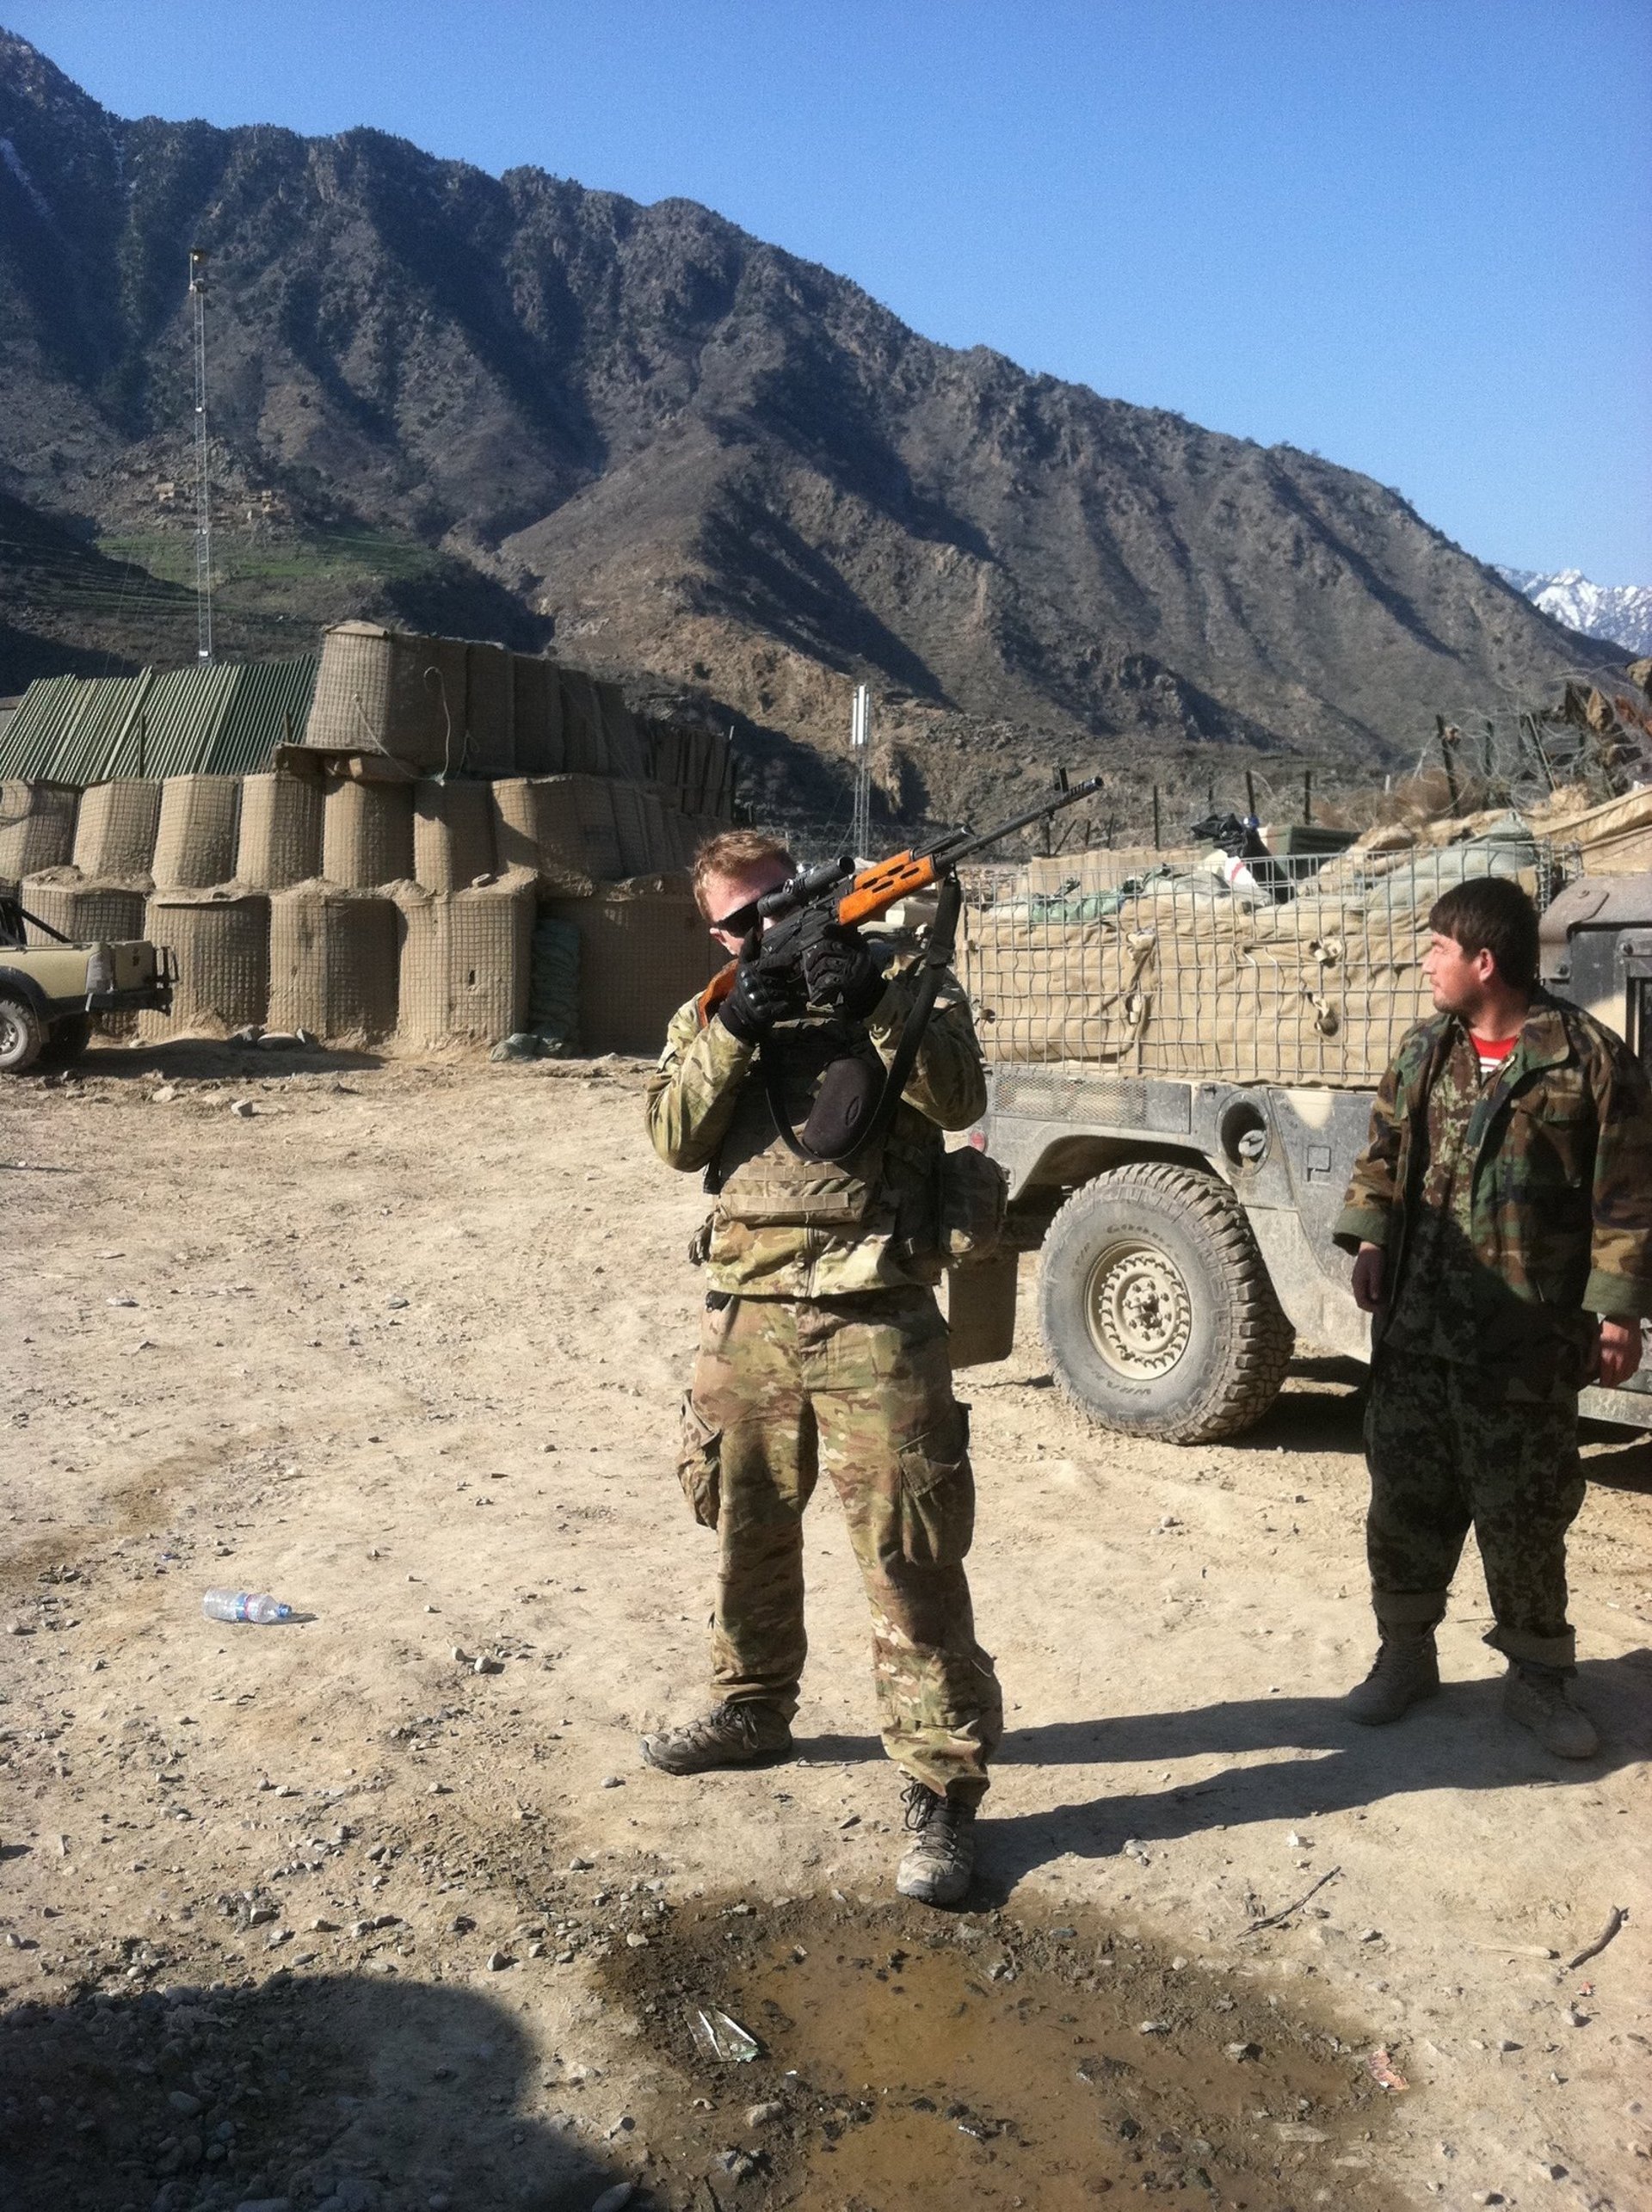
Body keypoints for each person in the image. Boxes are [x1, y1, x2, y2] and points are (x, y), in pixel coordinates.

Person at [641, 827, 1002, 1905]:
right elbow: (671, 1135)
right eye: (736, 922)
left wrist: (875, 999)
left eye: (775, 907)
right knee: (745, 1524)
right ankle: (753, 1707)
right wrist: (743, 1018)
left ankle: (941, 1786)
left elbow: (959, 1099)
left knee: (908, 1552)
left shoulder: (900, 976)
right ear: (713, 930)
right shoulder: (711, 1008)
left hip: (875, 1310)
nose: (761, 930)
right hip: (748, 1311)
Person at [1334, 873, 1652, 1755]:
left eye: (1436, 947)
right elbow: (1383, 1156)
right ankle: (1405, 1655)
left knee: (1525, 1513)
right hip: (1415, 1331)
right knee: (1405, 1501)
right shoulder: (1424, 1050)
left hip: (1527, 1342)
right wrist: (1367, 1241)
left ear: (1485, 960)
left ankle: (1541, 1682)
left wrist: (1618, 1316)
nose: (1424, 963)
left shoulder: (1588, 1057)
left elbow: (1626, 1198)